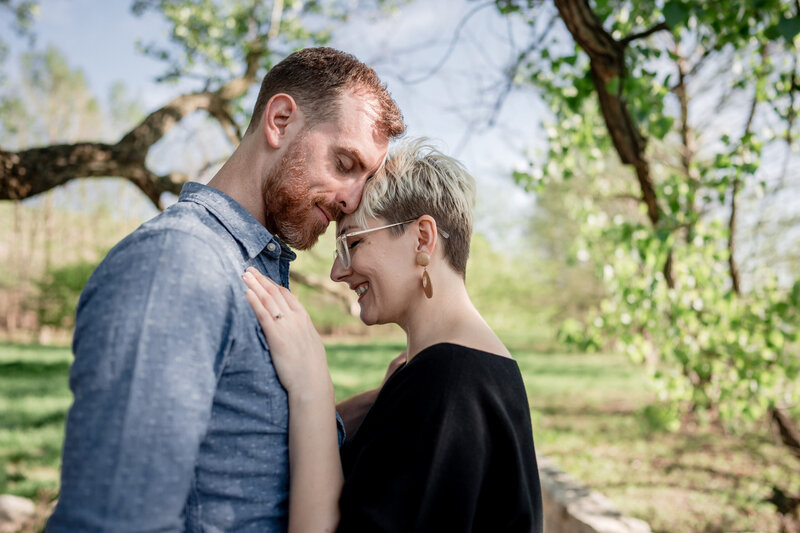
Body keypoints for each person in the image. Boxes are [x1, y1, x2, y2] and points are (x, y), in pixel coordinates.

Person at [46, 47, 405, 533]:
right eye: (345, 163)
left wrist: (378, 401)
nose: (352, 199)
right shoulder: (177, 266)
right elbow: (117, 521)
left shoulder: (251, 268)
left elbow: (243, 445)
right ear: (280, 121)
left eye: (365, 179)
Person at [242, 139, 544, 533]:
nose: (337, 272)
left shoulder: (446, 386)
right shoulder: (470, 372)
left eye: (352, 243)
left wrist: (311, 387)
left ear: (422, 238)